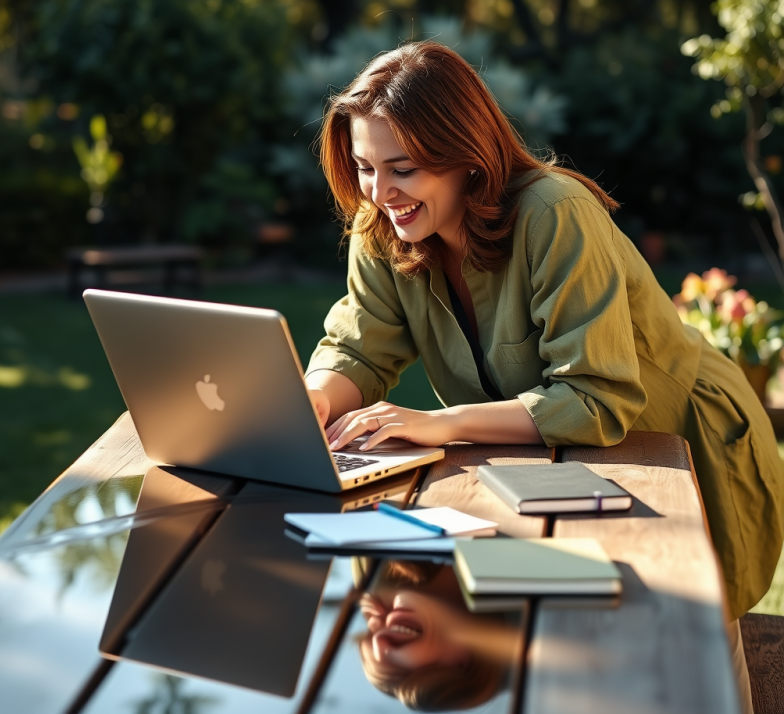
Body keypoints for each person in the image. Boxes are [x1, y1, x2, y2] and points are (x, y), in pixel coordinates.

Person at [303, 41, 783, 643]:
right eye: (365, 167)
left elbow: (595, 399)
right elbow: (359, 347)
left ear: (467, 157)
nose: (379, 192)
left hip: (674, 445)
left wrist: (438, 424)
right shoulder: (382, 229)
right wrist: (315, 399)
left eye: (403, 169)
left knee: (672, 641)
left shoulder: (554, 214)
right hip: (546, 467)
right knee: (532, 633)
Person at [356, 561, 520, 711]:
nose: (379, 640)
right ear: (463, 666)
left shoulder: (368, 569)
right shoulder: (525, 590)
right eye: (405, 672)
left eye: (371, 633)